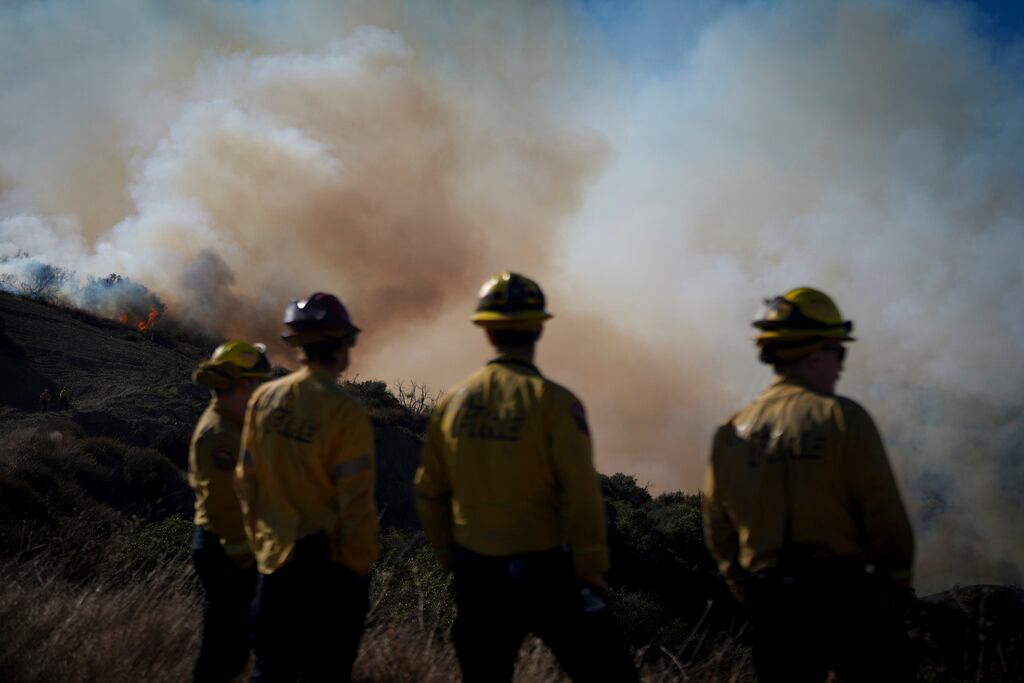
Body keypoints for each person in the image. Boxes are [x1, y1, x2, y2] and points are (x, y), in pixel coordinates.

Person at [414, 272, 637, 683]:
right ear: (538, 327)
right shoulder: (555, 403)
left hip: (478, 572)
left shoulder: (452, 405)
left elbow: (429, 493)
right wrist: (590, 567)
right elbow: (581, 494)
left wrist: (454, 560)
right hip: (547, 569)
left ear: (486, 333)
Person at [702, 287, 915, 683]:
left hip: (771, 606)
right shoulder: (843, 419)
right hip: (844, 595)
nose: (841, 365)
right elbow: (884, 515)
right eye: (839, 351)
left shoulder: (729, 433)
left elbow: (718, 527)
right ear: (815, 353)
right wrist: (897, 584)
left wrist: (746, 590)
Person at [236, 292, 379, 683]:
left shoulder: (263, 399)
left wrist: (262, 546)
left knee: (269, 671)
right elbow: (356, 502)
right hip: (330, 575)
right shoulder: (344, 411)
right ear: (340, 345)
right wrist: (357, 567)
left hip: (275, 566)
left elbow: (246, 482)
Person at [189, 340, 273, 682]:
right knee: (222, 654)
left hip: (233, 549)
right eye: (255, 384)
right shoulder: (219, 436)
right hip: (227, 551)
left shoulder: (236, 424)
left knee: (232, 651)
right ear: (241, 385)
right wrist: (247, 559)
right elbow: (225, 507)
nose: (259, 392)